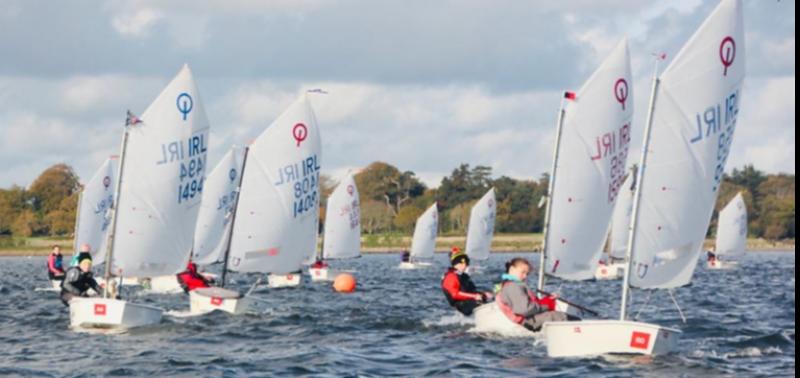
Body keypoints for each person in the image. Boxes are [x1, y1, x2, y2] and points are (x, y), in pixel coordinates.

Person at [496, 257, 569, 332]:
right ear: (511, 269)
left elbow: (530, 304)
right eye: (523, 272)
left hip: (531, 319)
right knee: (561, 317)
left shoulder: (510, 285)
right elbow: (524, 310)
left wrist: (547, 300)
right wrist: (547, 305)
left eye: (527, 274)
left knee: (560, 316)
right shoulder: (512, 286)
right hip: (529, 322)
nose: (525, 276)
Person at [441, 251, 492, 316]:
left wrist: (483, 294)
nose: (465, 266)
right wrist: (474, 296)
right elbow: (455, 294)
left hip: (469, 301)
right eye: (463, 264)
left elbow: (471, 291)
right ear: (457, 264)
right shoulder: (451, 276)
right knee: (482, 304)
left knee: (490, 299)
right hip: (461, 304)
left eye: (466, 264)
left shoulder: (463, 276)